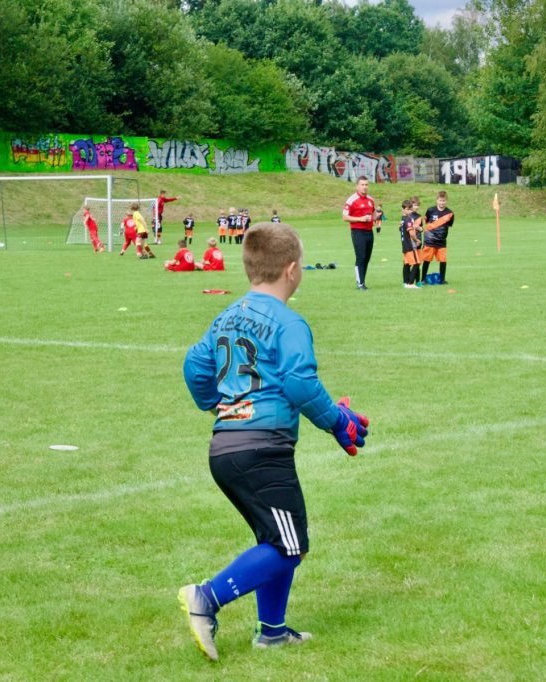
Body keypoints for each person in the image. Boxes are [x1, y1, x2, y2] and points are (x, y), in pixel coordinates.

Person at [178, 222, 370, 662]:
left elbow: (195, 365)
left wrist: (217, 404)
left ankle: (273, 632)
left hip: (225, 448)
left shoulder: (225, 316)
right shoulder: (289, 322)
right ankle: (206, 598)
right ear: (292, 269)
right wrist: (337, 422)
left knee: (277, 539)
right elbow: (300, 384)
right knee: (290, 546)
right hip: (262, 450)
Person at [342, 175, 376, 290]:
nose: (364, 187)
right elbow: (345, 217)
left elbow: (373, 213)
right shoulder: (352, 200)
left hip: (369, 232)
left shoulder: (370, 200)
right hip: (358, 232)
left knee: (367, 258)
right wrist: (360, 219)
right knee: (361, 257)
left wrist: (375, 218)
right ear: (357, 186)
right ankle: (360, 283)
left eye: (366, 184)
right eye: (362, 185)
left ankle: (362, 281)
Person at [421, 191, 454, 284]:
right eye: (440, 200)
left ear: (446, 201)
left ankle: (442, 280)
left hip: (441, 242)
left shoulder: (450, 213)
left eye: (444, 201)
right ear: (437, 200)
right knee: (427, 260)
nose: (442, 202)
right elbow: (426, 222)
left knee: (443, 260)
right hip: (429, 241)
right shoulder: (430, 210)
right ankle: (423, 279)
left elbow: (449, 225)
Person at [398, 199, 421, 289]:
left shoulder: (402, 219)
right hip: (410, 245)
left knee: (407, 264)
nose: (410, 211)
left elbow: (400, 229)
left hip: (405, 245)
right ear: (403, 209)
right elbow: (411, 233)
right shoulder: (408, 220)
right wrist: (417, 240)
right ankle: (410, 283)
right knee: (417, 263)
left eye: (410, 209)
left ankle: (405, 282)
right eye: (408, 209)